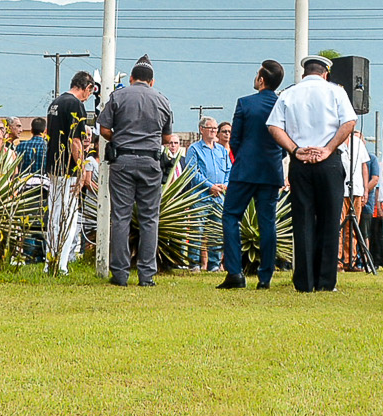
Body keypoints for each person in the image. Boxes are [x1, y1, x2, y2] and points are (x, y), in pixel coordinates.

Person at [268, 56, 359, 292]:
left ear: (303, 73)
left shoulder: (289, 93)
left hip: (301, 162)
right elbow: (349, 122)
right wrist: (328, 149)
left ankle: (304, 281)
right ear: (325, 73)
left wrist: (295, 150)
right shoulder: (336, 92)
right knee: (330, 221)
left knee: (303, 221)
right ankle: (326, 282)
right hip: (328, 160)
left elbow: (274, 126)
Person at [99, 59, 171, 286]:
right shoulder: (162, 99)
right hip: (150, 162)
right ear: (152, 81)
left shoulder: (118, 96)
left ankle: (120, 274)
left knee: (120, 217)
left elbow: (104, 128)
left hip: (123, 160)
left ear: (131, 78)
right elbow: (168, 138)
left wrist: (119, 139)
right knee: (150, 218)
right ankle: (146, 275)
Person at [220, 61, 284, 290]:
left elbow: (234, 139)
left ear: (261, 80)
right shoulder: (281, 104)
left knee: (230, 215)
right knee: (268, 222)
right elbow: (286, 139)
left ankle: (235, 272)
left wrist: (242, 157)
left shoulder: (245, 103)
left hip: (245, 169)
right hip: (271, 170)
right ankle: (265, 277)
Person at [45, 72, 94, 273]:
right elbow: (75, 140)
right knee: (69, 218)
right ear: (87, 88)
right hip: (68, 169)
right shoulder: (76, 105)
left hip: (53, 166)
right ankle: (62, 265)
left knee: (54, 216)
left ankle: (50, 263)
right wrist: (81, 168)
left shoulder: (54, 103)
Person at [179, 117, 231, 272]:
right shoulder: (194, 149)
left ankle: (214, 264)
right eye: (210, 128)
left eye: (215, 128)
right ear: (201, 129)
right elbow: (192, 171)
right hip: (201, 196)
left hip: (219, 196)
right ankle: (194, 263)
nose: (214, 131)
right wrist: (210, 186)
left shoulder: (221, 150)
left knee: (216, 230)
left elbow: (229, 170)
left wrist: (224, 185)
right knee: (197, 229)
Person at [339, 124, 373, 272]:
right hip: (340, 190)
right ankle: (337, 260)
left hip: (356, 190)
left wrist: (366, 190)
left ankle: (350, 261)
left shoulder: (358, 142)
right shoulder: (336, 141)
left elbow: (364, 166)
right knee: (338, 227)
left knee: (353, 227)